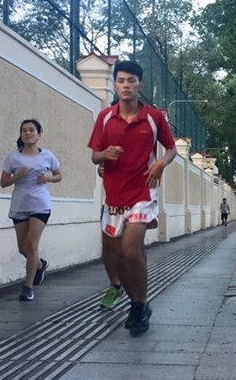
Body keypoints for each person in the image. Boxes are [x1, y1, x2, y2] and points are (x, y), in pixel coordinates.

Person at [88, 60, 176, 336]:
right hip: (113, 195)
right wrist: (105, 156)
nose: (126, 85)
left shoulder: (153, 117)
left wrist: (161, 163)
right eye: (121, 80)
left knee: (129, 249)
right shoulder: (104, 117)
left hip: (143, 192)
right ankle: (137, 301)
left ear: (140, 85)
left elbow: (171, 149)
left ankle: (138, 306)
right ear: (115, 85)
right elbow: (94, 155)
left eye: (131, 81)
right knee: (117, 254)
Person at [0, 119, 62, 301]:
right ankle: (40, 265)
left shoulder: (47, 156)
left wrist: (49, 177)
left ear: (39, 134)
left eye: (31, 130)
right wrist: (17, 176)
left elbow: (59, 175)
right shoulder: (13, 157)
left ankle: (28, 287)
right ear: (21, 134)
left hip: (40, 204)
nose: (28, 133)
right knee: (23, 248)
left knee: (32, 244)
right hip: (20, 205)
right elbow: (3, 182)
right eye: (24, 130)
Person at [97, 163, 125, 310]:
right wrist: (101, 169)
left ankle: (139, 299)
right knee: (108, 246)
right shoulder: (110, 141)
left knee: (130, 248)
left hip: (138, 200)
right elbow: (99, 159)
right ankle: (115, 285)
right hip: (111, 202)